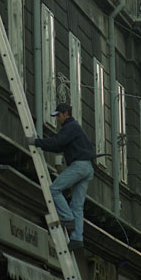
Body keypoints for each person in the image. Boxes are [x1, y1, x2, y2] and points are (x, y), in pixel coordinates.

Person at [26, 103, 95, 251]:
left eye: (58, 115)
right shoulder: (75, 128)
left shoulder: (70, 127)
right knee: (77, 205)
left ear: (65, 114)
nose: (57, 119)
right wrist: (42, 144)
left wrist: (36, 142)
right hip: (88, 168)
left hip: (79, 165)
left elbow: (57, 142)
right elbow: (58, 146)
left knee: (54, 190)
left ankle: (68, 218)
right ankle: (77, 238)